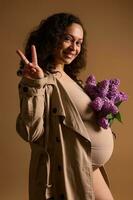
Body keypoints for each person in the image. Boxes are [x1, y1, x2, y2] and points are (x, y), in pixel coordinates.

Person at [16, 13, 114, 200]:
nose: (74, 48)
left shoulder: (72, 79)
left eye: (78, 42)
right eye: (68, 39)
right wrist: (34, 84)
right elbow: (31, 131)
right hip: (68, 172)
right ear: (52, 38)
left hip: (90, 168)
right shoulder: (41, 81)